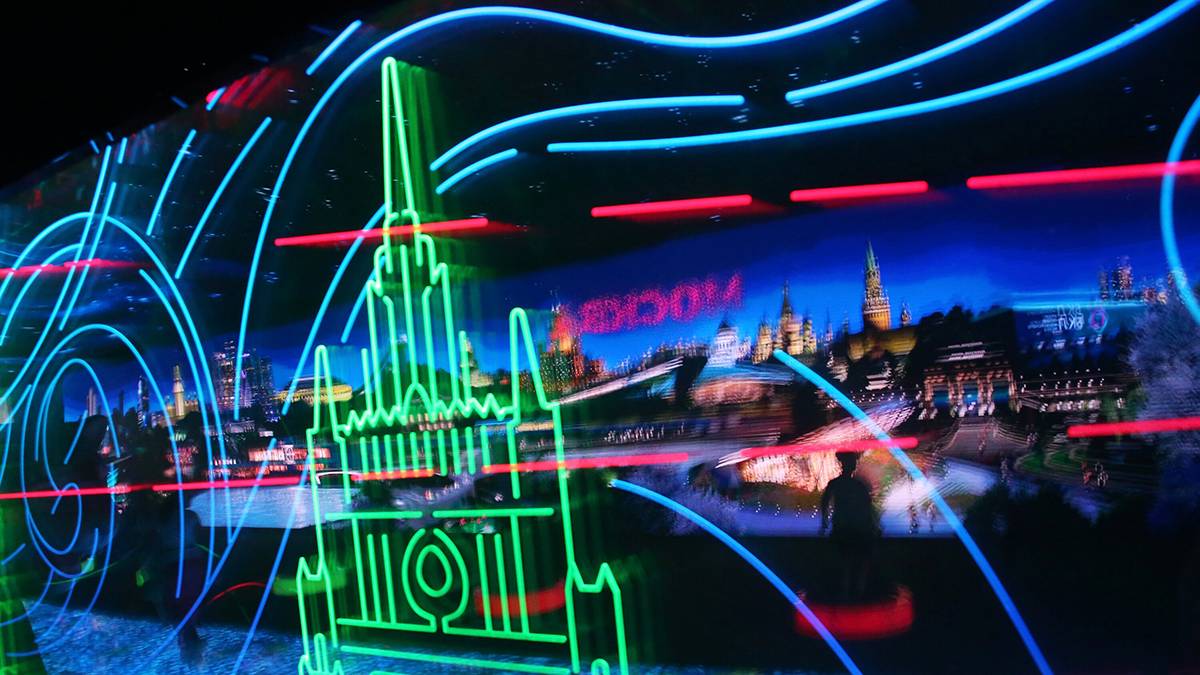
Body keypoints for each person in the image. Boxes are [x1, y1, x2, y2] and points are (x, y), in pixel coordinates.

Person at [819, 452, 879, 600]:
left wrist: (824, 521)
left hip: (843, 526)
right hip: (856, 527)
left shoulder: (836, 483)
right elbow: (867, 507)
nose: (854, 465)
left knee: (846, 561)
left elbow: (825, 502)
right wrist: (874, 525)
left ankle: (846, 592)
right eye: (853, 462)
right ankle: (858, 591)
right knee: (860, 560)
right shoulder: (858, 485)